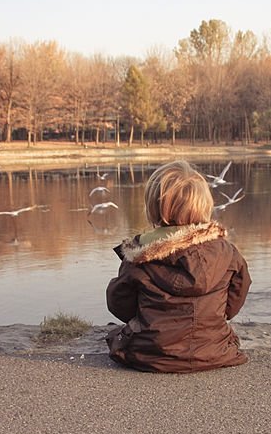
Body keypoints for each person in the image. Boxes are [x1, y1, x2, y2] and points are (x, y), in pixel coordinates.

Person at [105, 160, 251, 373]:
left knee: (116, 335)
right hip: (214, 350)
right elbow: (235, 299)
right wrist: (215, 317)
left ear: (152, 207)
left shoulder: (139, 255)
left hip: (150, 353)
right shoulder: (226, 252)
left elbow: (119, 305)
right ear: (205, 205)